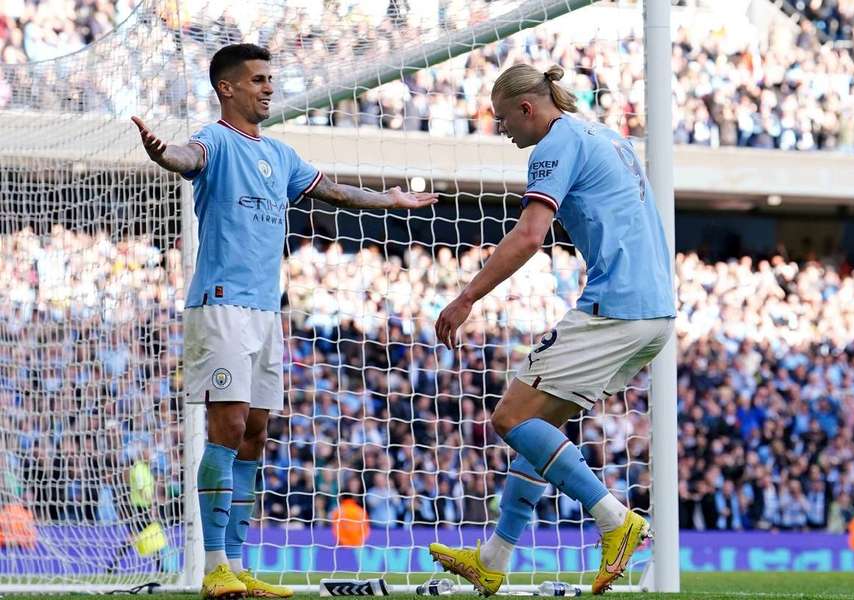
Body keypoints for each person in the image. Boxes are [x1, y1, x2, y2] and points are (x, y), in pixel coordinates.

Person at [132, 43, 436, 599]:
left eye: (270, 78)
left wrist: (389, 200)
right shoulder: (216, 140)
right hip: (221, 305)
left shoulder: (282, 154)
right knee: (227, 426)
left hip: (266, 311)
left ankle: (239, 563)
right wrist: (160, 153)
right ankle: (215, 566)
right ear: (228, 88)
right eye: (257, 79)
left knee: (255, 432)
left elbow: (336, 192)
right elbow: (186, 157)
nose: (269, 87)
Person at [429, 63, 674, 596]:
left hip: (617, 306)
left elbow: (530, 235)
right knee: (538, 433)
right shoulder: (605, 134)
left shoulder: (554, 144)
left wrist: (466, 296)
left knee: (510, 416)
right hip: (655, 310)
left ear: (527, 108)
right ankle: (493, 558)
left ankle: (614, 519)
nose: (504, 132)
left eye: (503, 121)